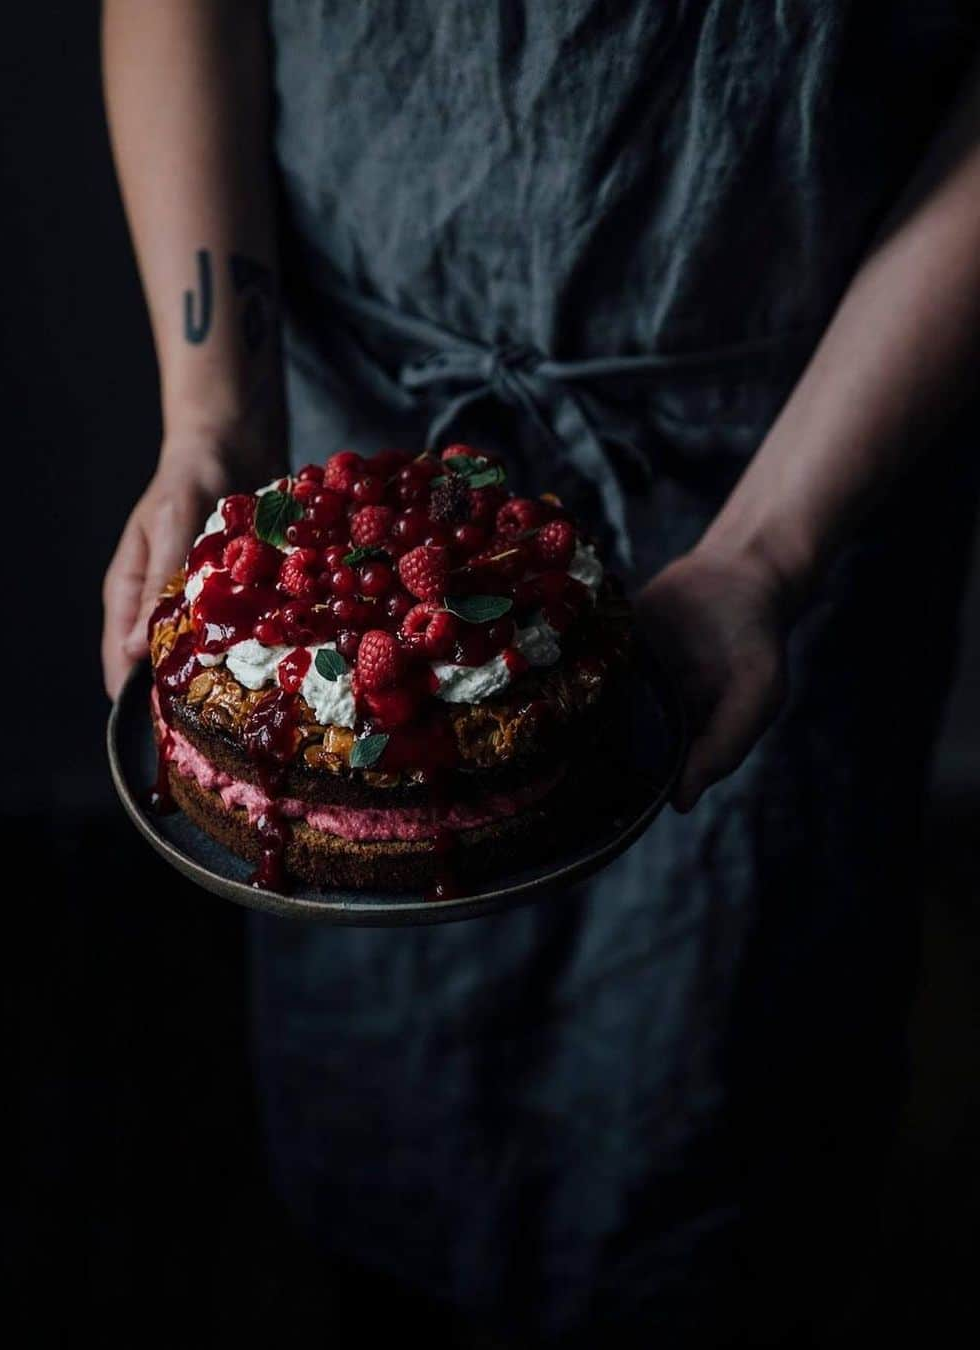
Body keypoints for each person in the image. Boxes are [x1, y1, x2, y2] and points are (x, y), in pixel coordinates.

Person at [101, 3, 980, 1343]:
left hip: (795, 448)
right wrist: (216, 416)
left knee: (722, 1137)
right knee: (390, 1127)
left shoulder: (778, 525)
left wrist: (768, 550)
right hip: (349, 421)